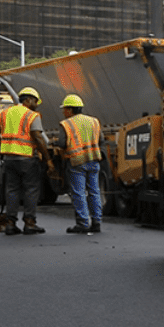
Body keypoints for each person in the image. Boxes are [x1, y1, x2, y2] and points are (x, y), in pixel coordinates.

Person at [0, 87, 54, 235]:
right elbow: (38, 137)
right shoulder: (32, 115)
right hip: (27, 158)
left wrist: (1, 148)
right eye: (35, 101)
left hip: (9, 158)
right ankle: (30, 223)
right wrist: (48, 160)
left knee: (12, 190)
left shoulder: (3, 114)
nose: (36, 104)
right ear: (27, 100)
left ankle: (10, 224)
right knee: (31, 190)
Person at [56, 94, 104, 234]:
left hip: (77, 162)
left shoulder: (66, 124)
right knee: (94, 192)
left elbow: (62, 143)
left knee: (79, 193)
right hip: (94, 160)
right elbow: (100, 140)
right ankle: (96, 222)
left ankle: (83, 223)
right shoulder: (94, 121)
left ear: (70, 110)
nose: (64, 112)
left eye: (65, 109)